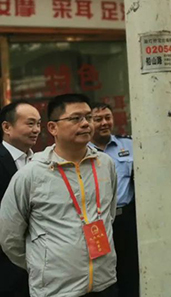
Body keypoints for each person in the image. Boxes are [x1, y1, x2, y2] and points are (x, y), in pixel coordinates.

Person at [0, 93, 118, 297]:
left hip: (104, 282)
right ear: (53, 128)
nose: (85, 124)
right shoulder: (31, 174)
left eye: (88, 117)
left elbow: (110, 214)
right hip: (56, 290)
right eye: (76, 118)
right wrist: (41, 264)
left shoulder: (105, 163)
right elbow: (10, 236)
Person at [91, 102, 139, 297]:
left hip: (126, 220)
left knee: (131, 271)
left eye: (107, 118)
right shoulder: (82, 151)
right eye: (98, 119)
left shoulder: (129, 145)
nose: (104, 123)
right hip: (97, 223)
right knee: (102, 274)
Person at [0, 101, 41, 297]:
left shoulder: (40, 161)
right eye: (30, 123)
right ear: (7, 127)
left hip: (39, 261)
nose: (36, 130)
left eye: (39, 124)